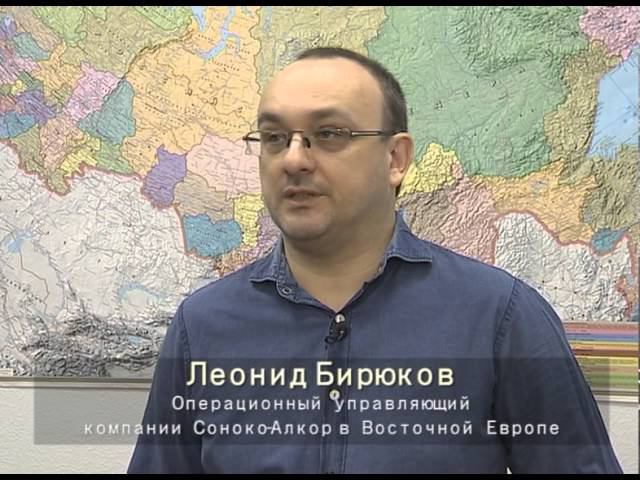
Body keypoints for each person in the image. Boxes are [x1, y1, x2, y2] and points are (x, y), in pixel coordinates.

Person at [127, 47, 622, 474]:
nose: (294, 159)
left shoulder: (500, 316)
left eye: (329, 133)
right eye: (274, 138)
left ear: (395, 159)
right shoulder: (203, 326)